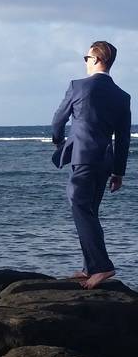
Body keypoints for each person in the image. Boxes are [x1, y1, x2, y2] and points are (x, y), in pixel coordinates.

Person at [51, 41, 131, 290]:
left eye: (87, 57)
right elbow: (124, 138)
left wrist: (59, 143)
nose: (85, 61)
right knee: (90, 211)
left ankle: (103, 266)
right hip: (105, 161)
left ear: (96, 59)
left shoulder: (78, 86)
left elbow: (57, 121)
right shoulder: (122, 95)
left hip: (83, 158)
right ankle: (90, 266)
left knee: (79, 206)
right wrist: (118, 171)